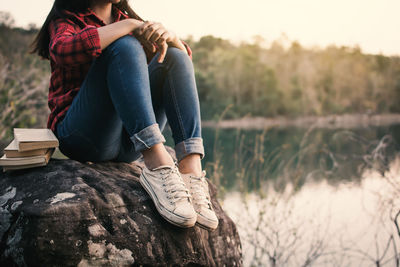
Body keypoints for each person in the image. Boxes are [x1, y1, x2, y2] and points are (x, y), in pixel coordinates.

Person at [31, 0, 218, 230]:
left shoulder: (128, 22)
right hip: (82, 137)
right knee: (126, 46)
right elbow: (62, 50)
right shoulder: (67, 20)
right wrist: (129, 26)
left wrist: (171, 39)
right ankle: (157, 164)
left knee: (176, 57)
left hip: (127, 143)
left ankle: (190, 171)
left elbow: (180, 74)